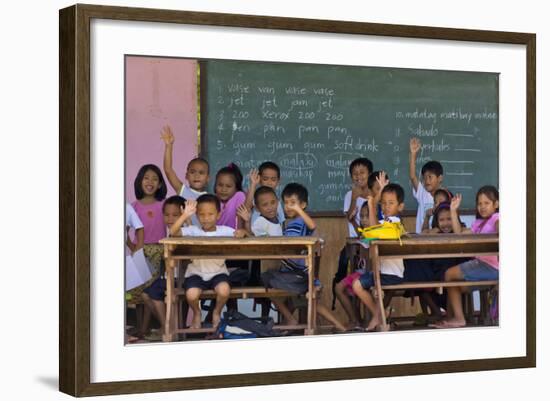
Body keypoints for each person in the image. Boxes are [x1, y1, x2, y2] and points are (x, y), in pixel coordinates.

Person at [261, 183, 347, 332]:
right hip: (294, 274)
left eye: (293, 203)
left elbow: (312, 225)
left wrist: (299, 211)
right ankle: (338, 325)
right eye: (286, 203)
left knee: (266, 280)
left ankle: (291, 318)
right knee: (267, 281)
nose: (289, 207)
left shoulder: (301, 222)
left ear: (303, 205)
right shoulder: (289, 224)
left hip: (299, 275)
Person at [170, 194, 249, 329]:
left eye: (210, 214)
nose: (206, 219)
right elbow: (173, 232)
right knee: (191, 294)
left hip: (218, 273)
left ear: (218, 215)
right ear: (196, 215)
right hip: (196, 273)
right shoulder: (193, 231)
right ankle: (196, 312)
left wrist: (243, 231)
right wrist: (185, 215)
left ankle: (216, 312)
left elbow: (243, 234)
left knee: (224, 290)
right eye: (201, 215)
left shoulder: (225, 231)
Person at [431, 186, 500, 329]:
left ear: (496, 204)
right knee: (455, 285)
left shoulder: (496, 218)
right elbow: (459, 233)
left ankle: (456, 317)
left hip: (491, 266)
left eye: (486, 203)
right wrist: (453, 210)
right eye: (479, 203)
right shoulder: (479, 223)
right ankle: (456, 318)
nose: (482, 207)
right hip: (481, 265)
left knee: (449, 274)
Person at [352, 183, 406, 332]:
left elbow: (374, 229)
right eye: (383, 203)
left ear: (400, 206)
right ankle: (380, 313)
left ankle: (379, 315)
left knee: (357, 285)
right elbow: (373, 228)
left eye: (391, 203)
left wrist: (371, 204)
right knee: (357, 284)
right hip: (382, 273)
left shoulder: (394, 223)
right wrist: (375, 199)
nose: (386, 206)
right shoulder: (385, 222)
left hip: (391, 274)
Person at [139, 195, 187, 339]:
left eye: (175, 215)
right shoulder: (170, 232)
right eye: (167, 215)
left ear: (183, 214)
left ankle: (167, 328)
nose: (170, 219)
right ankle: (167, 325)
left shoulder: (184, 231)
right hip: (168, 276)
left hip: (180, 278)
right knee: (145, 294)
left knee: (152, 292)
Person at [332, 157, 374, 309]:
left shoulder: (374, 194)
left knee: (365, 274)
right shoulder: (350, 195)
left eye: (362, 173)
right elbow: (349, 217)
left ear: (369, 174)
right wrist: (354, 199)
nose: (358, 177)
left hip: (370, 241)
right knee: (343, 269)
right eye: (355, 174)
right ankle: (352, 309)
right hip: (354, 242)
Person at [160, 125, 209, 225]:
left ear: (208, 178)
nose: (196, 176)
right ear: (186, 176)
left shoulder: (209, 198)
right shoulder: (183, 190)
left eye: (201, 173)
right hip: (183, 238)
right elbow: (168, 170)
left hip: (201, 239)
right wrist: (169, 146)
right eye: (192, 172)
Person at [334, 201, 371, 330]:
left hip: (369, 274)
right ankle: (355, 320)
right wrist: (353, 221)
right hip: (361, 273)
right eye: (362, 216)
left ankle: (360, 320)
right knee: (339, 288)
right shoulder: (365, 233)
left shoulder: (377, 234)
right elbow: (361, 233)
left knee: (347, 289)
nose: (364, 220)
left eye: (368, 216)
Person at [409, 137, 445, 233]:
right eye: (424, 178)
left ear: (440, 178)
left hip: (438, 237)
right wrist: (413, 154)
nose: (426, 181)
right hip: (421, 237)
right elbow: (413, 177)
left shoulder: (445, 196)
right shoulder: (422, 193)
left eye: (430, 177)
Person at [244, 161, 285, 226]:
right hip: (254, 234)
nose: (269, 182)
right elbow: (246, 208)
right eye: (265, 179)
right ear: (259, 179)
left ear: (278, 181)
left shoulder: (277, 202)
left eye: (273, 179)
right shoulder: (257, 198)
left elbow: (281, 222)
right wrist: (253, 184)